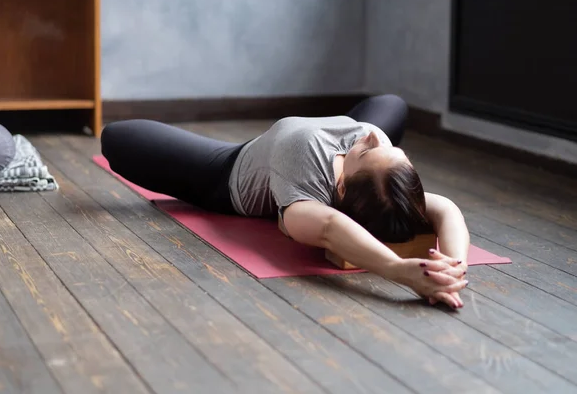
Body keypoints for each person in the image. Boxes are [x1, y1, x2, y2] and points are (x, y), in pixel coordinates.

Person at [101, 95, 469, 309]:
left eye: (367, 153)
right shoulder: (374, 149)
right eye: (390, 150)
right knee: (391, 104)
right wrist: (453, 269)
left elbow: (327, 228)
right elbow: (446, 209)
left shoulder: (311, 193)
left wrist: (397, 270)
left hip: (229, 173)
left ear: (340, 190)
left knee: (118, 137)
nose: (374, 137)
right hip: (290, 148)